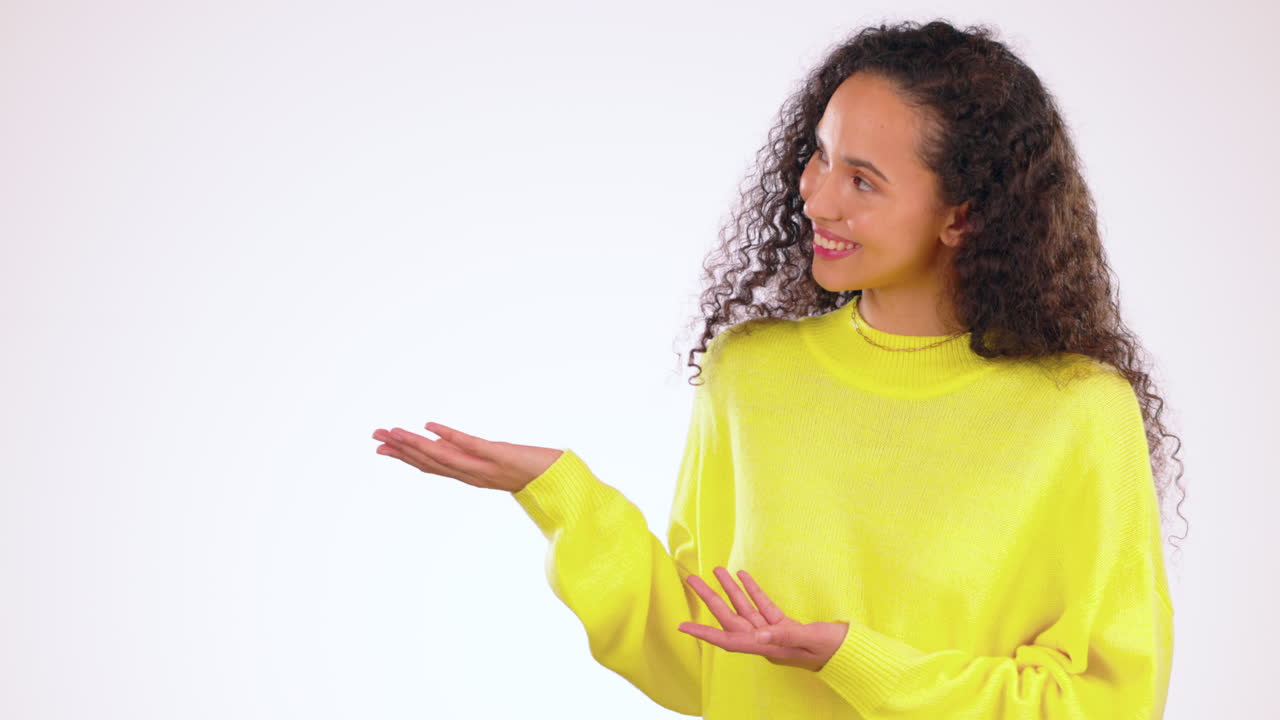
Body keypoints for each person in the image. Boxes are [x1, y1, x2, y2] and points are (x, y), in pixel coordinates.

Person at [372, 19, 1184, 719]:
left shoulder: (1076, 411)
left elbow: (1100, 703)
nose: (818, 199)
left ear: (962, 217)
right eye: (819, 157)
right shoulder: (751, 376)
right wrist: (560, 495)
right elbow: (700, 661)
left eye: (862, 180)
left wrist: (853, 657)